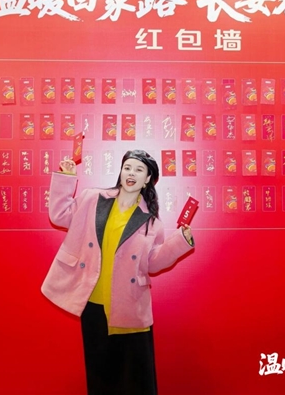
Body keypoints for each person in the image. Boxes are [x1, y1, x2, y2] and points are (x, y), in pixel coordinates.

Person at [42, 149, 195, 395]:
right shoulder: (93, 199)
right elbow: (59, 215)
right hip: (93, 302)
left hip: (129, 305)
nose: (131, 173)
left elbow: (152, 263)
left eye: (139, 170)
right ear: (121, 172)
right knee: (100, 376)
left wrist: (180, 241)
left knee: (136, 379)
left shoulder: (152, 222)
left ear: (147, 179)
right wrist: (66, 178)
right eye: (127, 167)